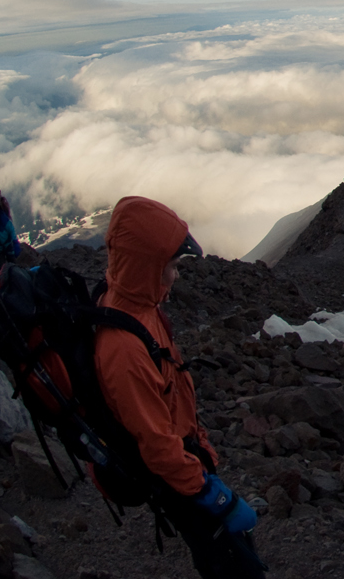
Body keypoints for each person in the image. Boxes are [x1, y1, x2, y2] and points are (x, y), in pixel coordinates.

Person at [94, 195, 266, 578]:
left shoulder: (140, 304)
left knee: (230, 555)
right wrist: (212, 495)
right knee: (233, 567)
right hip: (175, 479)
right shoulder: (123, 348)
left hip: (188, 459)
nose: (176, 275)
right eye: (171, 266)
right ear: (147, 267)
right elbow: (157, 446)